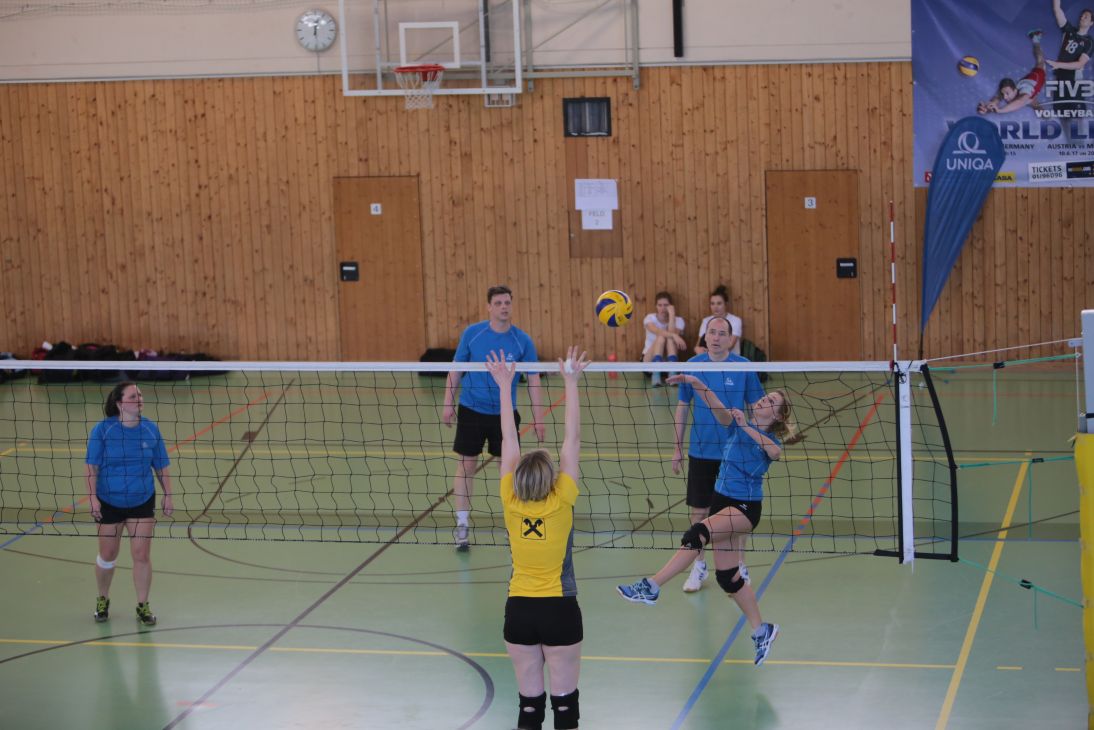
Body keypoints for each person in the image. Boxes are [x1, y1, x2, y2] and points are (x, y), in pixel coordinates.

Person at [617, 386, 793, 667]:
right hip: (721, 502)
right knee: (728, 578)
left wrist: (745, 426)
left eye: (771, 400)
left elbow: (774, 452)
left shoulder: (767, 439)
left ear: (778, 415)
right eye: (764, 396)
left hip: (744, 508)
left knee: (696, 534)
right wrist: (695, 382)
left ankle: (651, 585)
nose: (763, 399)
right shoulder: (736, 423)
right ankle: (762, 630)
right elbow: (718, 408)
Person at [485, 346, 588, 730]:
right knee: (565, 707)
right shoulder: (562, 499)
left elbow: (507, 441)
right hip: (560, 609)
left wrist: (504, 386)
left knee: (529, 706)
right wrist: (570, 382)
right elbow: (572, 441)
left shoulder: (510, 499)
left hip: (520, 611)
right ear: (552, 479)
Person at [442, 285, 545, 551]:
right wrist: (447, 403)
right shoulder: (473, 334)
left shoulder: (522, 341)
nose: (503, 307)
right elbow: (456, 369)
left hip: (505, 415)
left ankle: (512, 525)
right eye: (498, 303)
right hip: (471, 410)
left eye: (507, 302)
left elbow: (534, 379)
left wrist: (539, 417)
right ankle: (462, 526)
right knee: (466, 467)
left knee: (508, 471)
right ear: (489, 307)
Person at [673, 316, 765, 593]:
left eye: (721, 333)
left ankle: (739, 564)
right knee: (699, 511)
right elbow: (682, 407)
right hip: (701, 450)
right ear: (705, 336)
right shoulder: (692, 366)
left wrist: (756, 443)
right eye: (711, 332)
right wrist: (677, 447)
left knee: (736, 514)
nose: (715, 337)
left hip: (735, 455)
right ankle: (698, 565)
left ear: (730, 338)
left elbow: (756, 408)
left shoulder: (743, 367)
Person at [86, 381, 173, 627]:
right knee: (108, 554)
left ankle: (143, 605)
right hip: (108, 501)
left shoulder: (151, 429)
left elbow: (161, 466)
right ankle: (102, 599)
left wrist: (168, 494)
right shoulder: (103, 430)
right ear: (119, 403)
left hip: (142, 500)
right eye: (133, 396)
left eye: (140, 395)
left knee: (141, 554)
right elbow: (91, 466)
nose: (139, 399)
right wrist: (92, 498)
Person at [978, 31, 1047, 115]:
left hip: (1037, 75)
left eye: (1007, 93)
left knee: (1040, 60)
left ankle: (1035, 39)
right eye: (1004, 94)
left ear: (1015, 90)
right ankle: (1045, 115)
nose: (1005, 97)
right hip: (1026, 85)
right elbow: (997, 98)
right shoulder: (1007, 92)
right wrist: (988, 106)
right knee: (1034, 104)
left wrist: (1000, 110)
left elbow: (1019, 102)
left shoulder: (1025, 92)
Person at [1046, 2, 1094, 118]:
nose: (1082, 17)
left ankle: (1082, 130)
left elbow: (1080, 64)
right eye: (1081, 15)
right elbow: (1057, 9)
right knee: (1061, 113)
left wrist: (1058, 64)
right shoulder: (1069, 30)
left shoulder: (1089, 42)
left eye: (1086, 17)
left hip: (1074, 79)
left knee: (1078, 113)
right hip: (1060, 77)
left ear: (1091, 23)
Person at [641, 291, 686, 387]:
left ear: (671, 306)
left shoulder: (679, 320)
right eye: (660, 305)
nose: (662, 308)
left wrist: (672, 315)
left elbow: (671, 333)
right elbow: (657, 331)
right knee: (661, 336)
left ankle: (672, 373)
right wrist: (674, 336)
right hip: (649, 362)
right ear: (656, 306)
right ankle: (656, 374)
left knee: (669, 338)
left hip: (667, 364)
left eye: (666, 305)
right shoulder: (650, 318)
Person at [694, 284, 744, 357]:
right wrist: (697, 349)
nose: (715, 307)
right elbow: (698, 345)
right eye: (712, 304)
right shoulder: (706, 321)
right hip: (709, 358)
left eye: (719, 303)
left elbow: (730, 345)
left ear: (726, 304)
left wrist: (710, 352)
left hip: (730, 359)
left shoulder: (735, 320)